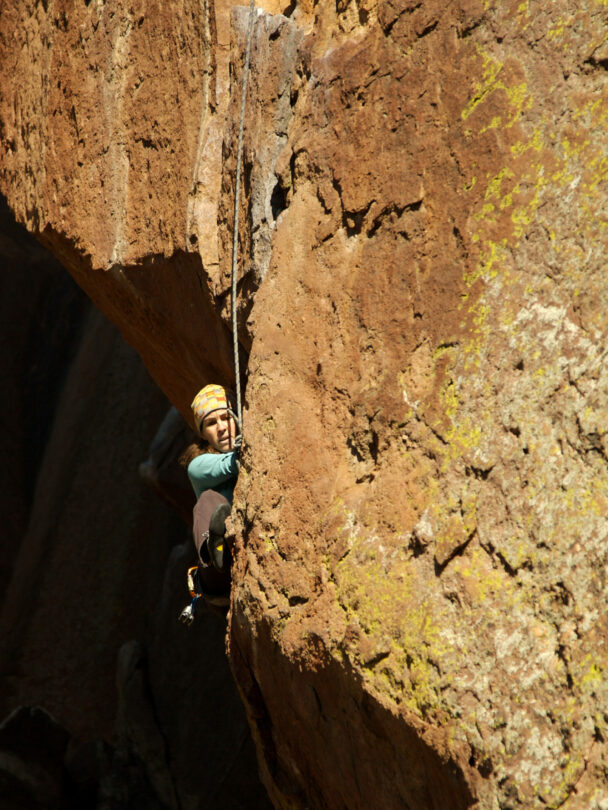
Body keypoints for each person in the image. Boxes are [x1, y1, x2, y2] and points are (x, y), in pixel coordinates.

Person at [181, 384, 240, 614]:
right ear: (203, 434)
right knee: (208, 500)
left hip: (242, 553)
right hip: (218, 579)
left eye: (226, 417)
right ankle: (214, 549)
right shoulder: (197, 467)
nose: (222, 427)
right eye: (211, 423)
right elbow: (229, 465)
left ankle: (221, 548)